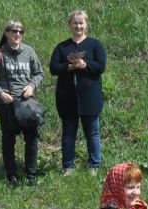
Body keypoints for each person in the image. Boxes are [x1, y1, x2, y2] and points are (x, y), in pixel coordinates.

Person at [0, 20, 45, 187]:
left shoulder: (29, 51)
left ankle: (31, 175)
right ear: (6, 33)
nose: (17, 34)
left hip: (26, 102)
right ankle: (11, 176)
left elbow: (39, 73)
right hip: (7, 104)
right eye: (13, 31)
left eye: (20, 31)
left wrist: (31, 86)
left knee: (32, 138)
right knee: (9, 139)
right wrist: (0, 93)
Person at [49, 10, 106, 173]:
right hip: (67, 97)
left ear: (86, 24)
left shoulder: (95, 45)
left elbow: (101, 66)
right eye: (75, 23)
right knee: (68, 133)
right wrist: (68, 66)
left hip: (90, 97)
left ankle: (94, 165)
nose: (78, 26)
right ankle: (68, 166)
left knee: (93, 132)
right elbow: (53, 68)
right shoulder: (62, 47)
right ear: (70, 25)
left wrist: (85, 64)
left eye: (81, 23)